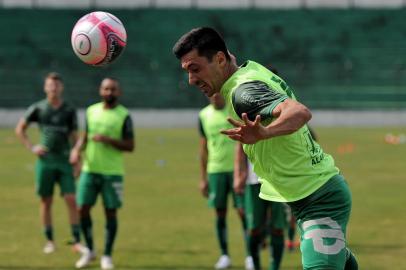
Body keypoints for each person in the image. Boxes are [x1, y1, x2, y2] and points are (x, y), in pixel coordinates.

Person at [173, 27, 358, 270]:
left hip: (318, 199)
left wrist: (264, 133)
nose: (191, 80)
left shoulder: (243, 91)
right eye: (187, 72)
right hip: (307, 196)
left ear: (219, 59)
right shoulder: (246, 72)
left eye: (195, 69)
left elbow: (299, 112)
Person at [70, 77, 135, 270]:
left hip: (112, 172)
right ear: (100, 91)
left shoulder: (124, 115)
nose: (109, 92)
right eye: (106, 89)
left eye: (113, 89)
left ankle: (107, 255)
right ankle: (90, 250)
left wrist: (108, 140)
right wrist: (76, 150)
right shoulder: (91, 111)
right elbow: (85, 137)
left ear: (119, 92)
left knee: (110, 212)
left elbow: (130, 145)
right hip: (90, 170)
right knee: (82, 209)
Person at [15, 72, 82, 254]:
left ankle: (77, 240)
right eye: (50, 85)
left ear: (62, 88)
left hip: (64, 160)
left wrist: (78, 160)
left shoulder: (69, 110)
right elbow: (20, 129)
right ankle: (50, 240)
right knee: (46, 200)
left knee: (71, 199)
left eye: (57, 85)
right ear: (45, 87)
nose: (53, 88)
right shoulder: (38, 108)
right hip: (45, 161)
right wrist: (32, 147)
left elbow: (74, 137)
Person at [198, 93, 253, 269]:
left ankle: (250, 256)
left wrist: (243, 171)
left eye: (217, 94)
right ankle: (224, 256)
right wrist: (203, 178)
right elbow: (203, 147)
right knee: (219, 213)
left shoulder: (234, 111)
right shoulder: (203, 115)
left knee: (243, 213)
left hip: (236, 171)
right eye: (210, 94)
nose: (214, 97)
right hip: (215, 171)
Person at [234, 143, 285, 270]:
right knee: (253, 229)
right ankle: (256, 266)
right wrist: (238, 175)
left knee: (278, 228)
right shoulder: (247, 121)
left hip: (279, 179)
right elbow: (240, 144)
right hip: (253, 180)